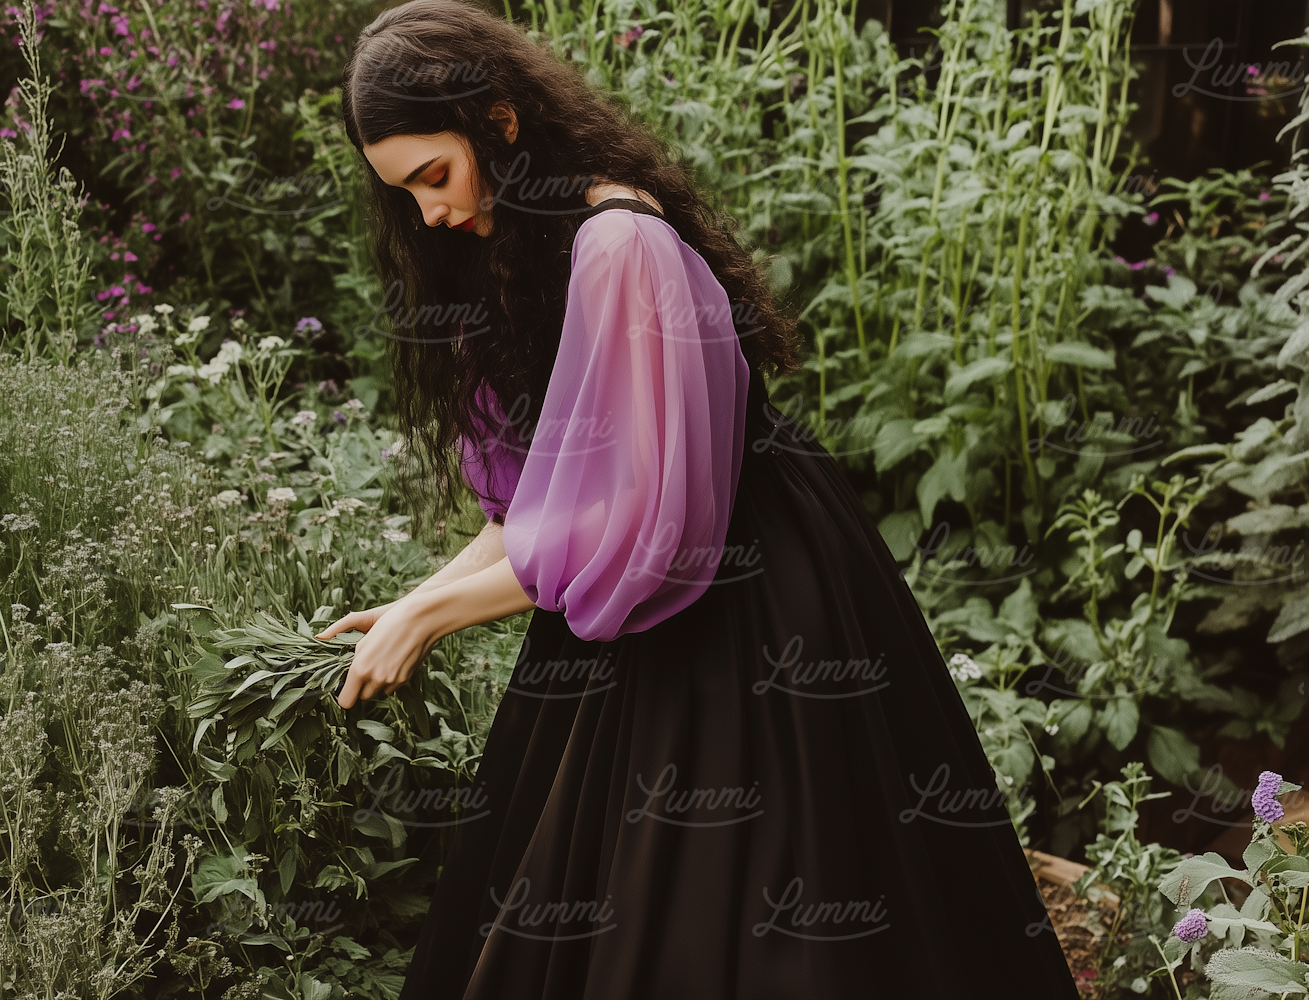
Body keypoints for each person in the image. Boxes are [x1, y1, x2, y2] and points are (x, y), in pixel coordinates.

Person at [313, 0, 1079, 996]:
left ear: (499, 121)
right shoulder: (511, 261)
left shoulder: (620, 247)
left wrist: (431, 617)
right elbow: (533, 511)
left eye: (434, 177)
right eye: (405, 195)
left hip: (741, 586)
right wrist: (418, 598)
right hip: (630, 594)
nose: (432, 214)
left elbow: (648, 523)